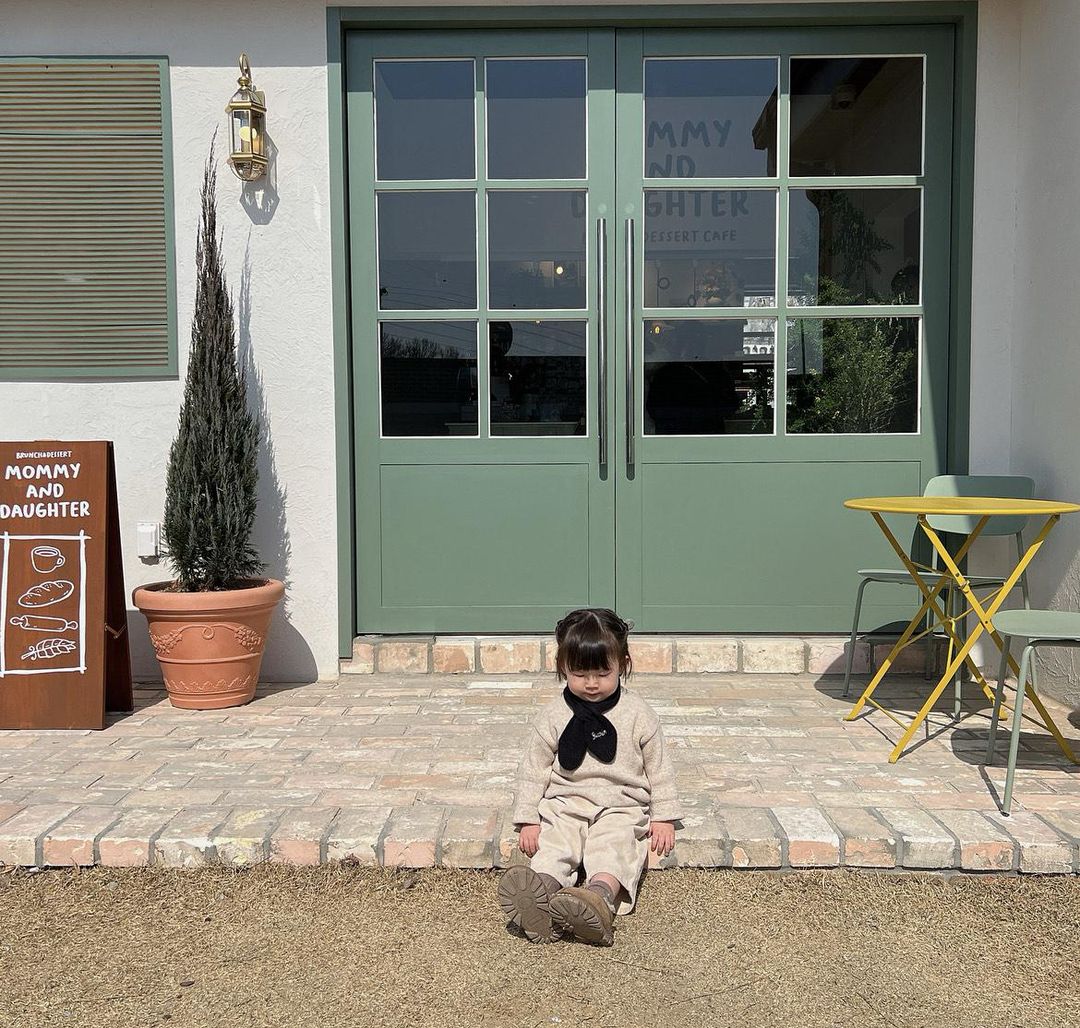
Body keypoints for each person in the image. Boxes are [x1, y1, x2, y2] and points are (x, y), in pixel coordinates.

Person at [497, 608, 681, 946]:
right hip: (565, 803)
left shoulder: (639, 714)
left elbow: (660, 768)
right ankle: (541, 894)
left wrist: (664, 817)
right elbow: (533, 769)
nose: (592, 683)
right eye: (580, 674)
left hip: (621, 805)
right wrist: (528, 819)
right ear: (562, 667)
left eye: (602, 673)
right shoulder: (552, 715)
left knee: (615, 845)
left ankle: (598, 897)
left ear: (623, 664)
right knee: (555, 843)